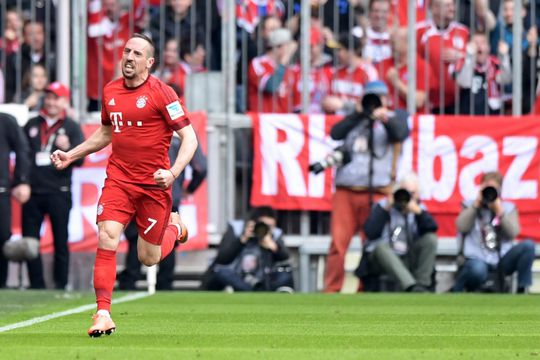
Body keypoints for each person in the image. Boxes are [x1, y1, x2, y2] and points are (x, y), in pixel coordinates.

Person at [51, 33, 197, 336]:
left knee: (148, 257)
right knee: (107, 235)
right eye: (126, 51)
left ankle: (176, 227)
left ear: (149, 62)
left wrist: (173, 173)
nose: (129, 57)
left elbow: (190, 139)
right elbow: (106, 134)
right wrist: (71, 154)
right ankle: (103, 313)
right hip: (119, 179)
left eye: (137, 54)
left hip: (153, 186)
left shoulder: (163, 93)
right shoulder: (111, 91)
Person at [321, 80, 409, 293]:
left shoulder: (395, 117)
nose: (374, 103)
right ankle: (332, 289)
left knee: (371, 243)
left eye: (379, 98)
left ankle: (365, 287)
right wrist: (358, 114)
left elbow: (401, 133)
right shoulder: (355, 118)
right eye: (371, 98)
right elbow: (336, 133)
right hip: (346, 190)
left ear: (386, 100)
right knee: (338, 244)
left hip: (378, 190)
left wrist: (384, 117)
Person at [118, 135, 207, 290]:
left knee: (136, 236)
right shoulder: (183, 132)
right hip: (169, 195)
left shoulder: (143, 126)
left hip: (140, 192)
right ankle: (165, 284)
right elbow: (201, 167)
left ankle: (129, 282)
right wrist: (188, 188)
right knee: (166, 237)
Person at [21, 82, 85, 290]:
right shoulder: (31, 124)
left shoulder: (72, 126)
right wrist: (22, 182)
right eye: (48, 97)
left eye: (56, 98)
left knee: (60, 240)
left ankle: (61, 284)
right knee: (30, 241)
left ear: (64, 101)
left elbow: (82, 161)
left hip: (59, 191)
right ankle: (36, 284)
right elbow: (22, 156)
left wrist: (70, 150)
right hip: (33, 191)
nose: (51, 102)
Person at [453, 171, 535, 293]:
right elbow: (462, 226)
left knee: (528, 246)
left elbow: (513, 232)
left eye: (493, 189)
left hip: (502, 259)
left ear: (500, 190)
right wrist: (476, 206)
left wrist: (500, 212)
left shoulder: (508, 208)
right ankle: (459, 288)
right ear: (480, 188)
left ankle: (522, 289)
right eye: (487, 188)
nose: (489, 192)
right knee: (477, 270)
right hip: (476, 258)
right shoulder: (469, 205)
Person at [356, 173, 438, 292]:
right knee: (381, 247)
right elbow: (370, 232)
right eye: (404, 192)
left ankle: (422, 285)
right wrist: (387, 207)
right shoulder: (383, 205)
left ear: (418, 194)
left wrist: (418, 212)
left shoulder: (419, 208)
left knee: (430, 239)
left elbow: (432, 228)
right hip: (381, 260)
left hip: (407, 256)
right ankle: (412, 287)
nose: (407, 197)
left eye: (412, 194)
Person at [200, 206, 293, 292]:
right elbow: (222, 258)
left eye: (270, 226)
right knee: (221, 273)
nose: (265, 229)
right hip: (237, 275)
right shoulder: (237, 228)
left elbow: (285, 257)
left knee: (284, 275)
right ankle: (253, 291)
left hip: (263, 277)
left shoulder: (274, 234)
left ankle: (256, 290)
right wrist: (242, 240)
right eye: (263, 225)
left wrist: (273, 247)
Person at [416, 0, 469, 114]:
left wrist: (462, 55)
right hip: (428, 102)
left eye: (452, 5)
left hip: (458, 101)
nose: (452, 8)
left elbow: (473, 59)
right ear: (434, 8)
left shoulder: (463, 31)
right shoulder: (420, 31)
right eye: (447, 5)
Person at [0, 112, 31, 288]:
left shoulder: (5, 120)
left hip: (1, 188)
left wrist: (22, 180)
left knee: (2, 236)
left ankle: (1, 284)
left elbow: (22, 149)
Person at [455, 33, 511, 115]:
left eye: (483, 43)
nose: (479, 46)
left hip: (492, 117)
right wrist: (469, 57)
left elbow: (506, 79)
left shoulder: (495, 64)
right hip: (468, 116)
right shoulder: (463, 62)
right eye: (475, 43)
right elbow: (464, 83)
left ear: (489, 47)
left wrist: (504, 57)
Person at [247, 28, 298, 113]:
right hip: (264, 122)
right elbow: (271, 86)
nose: (292, 52)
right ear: (279, 47)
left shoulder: (291, 68)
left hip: (285, 122)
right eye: (289, 47)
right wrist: (283, 62)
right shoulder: (258, 63)